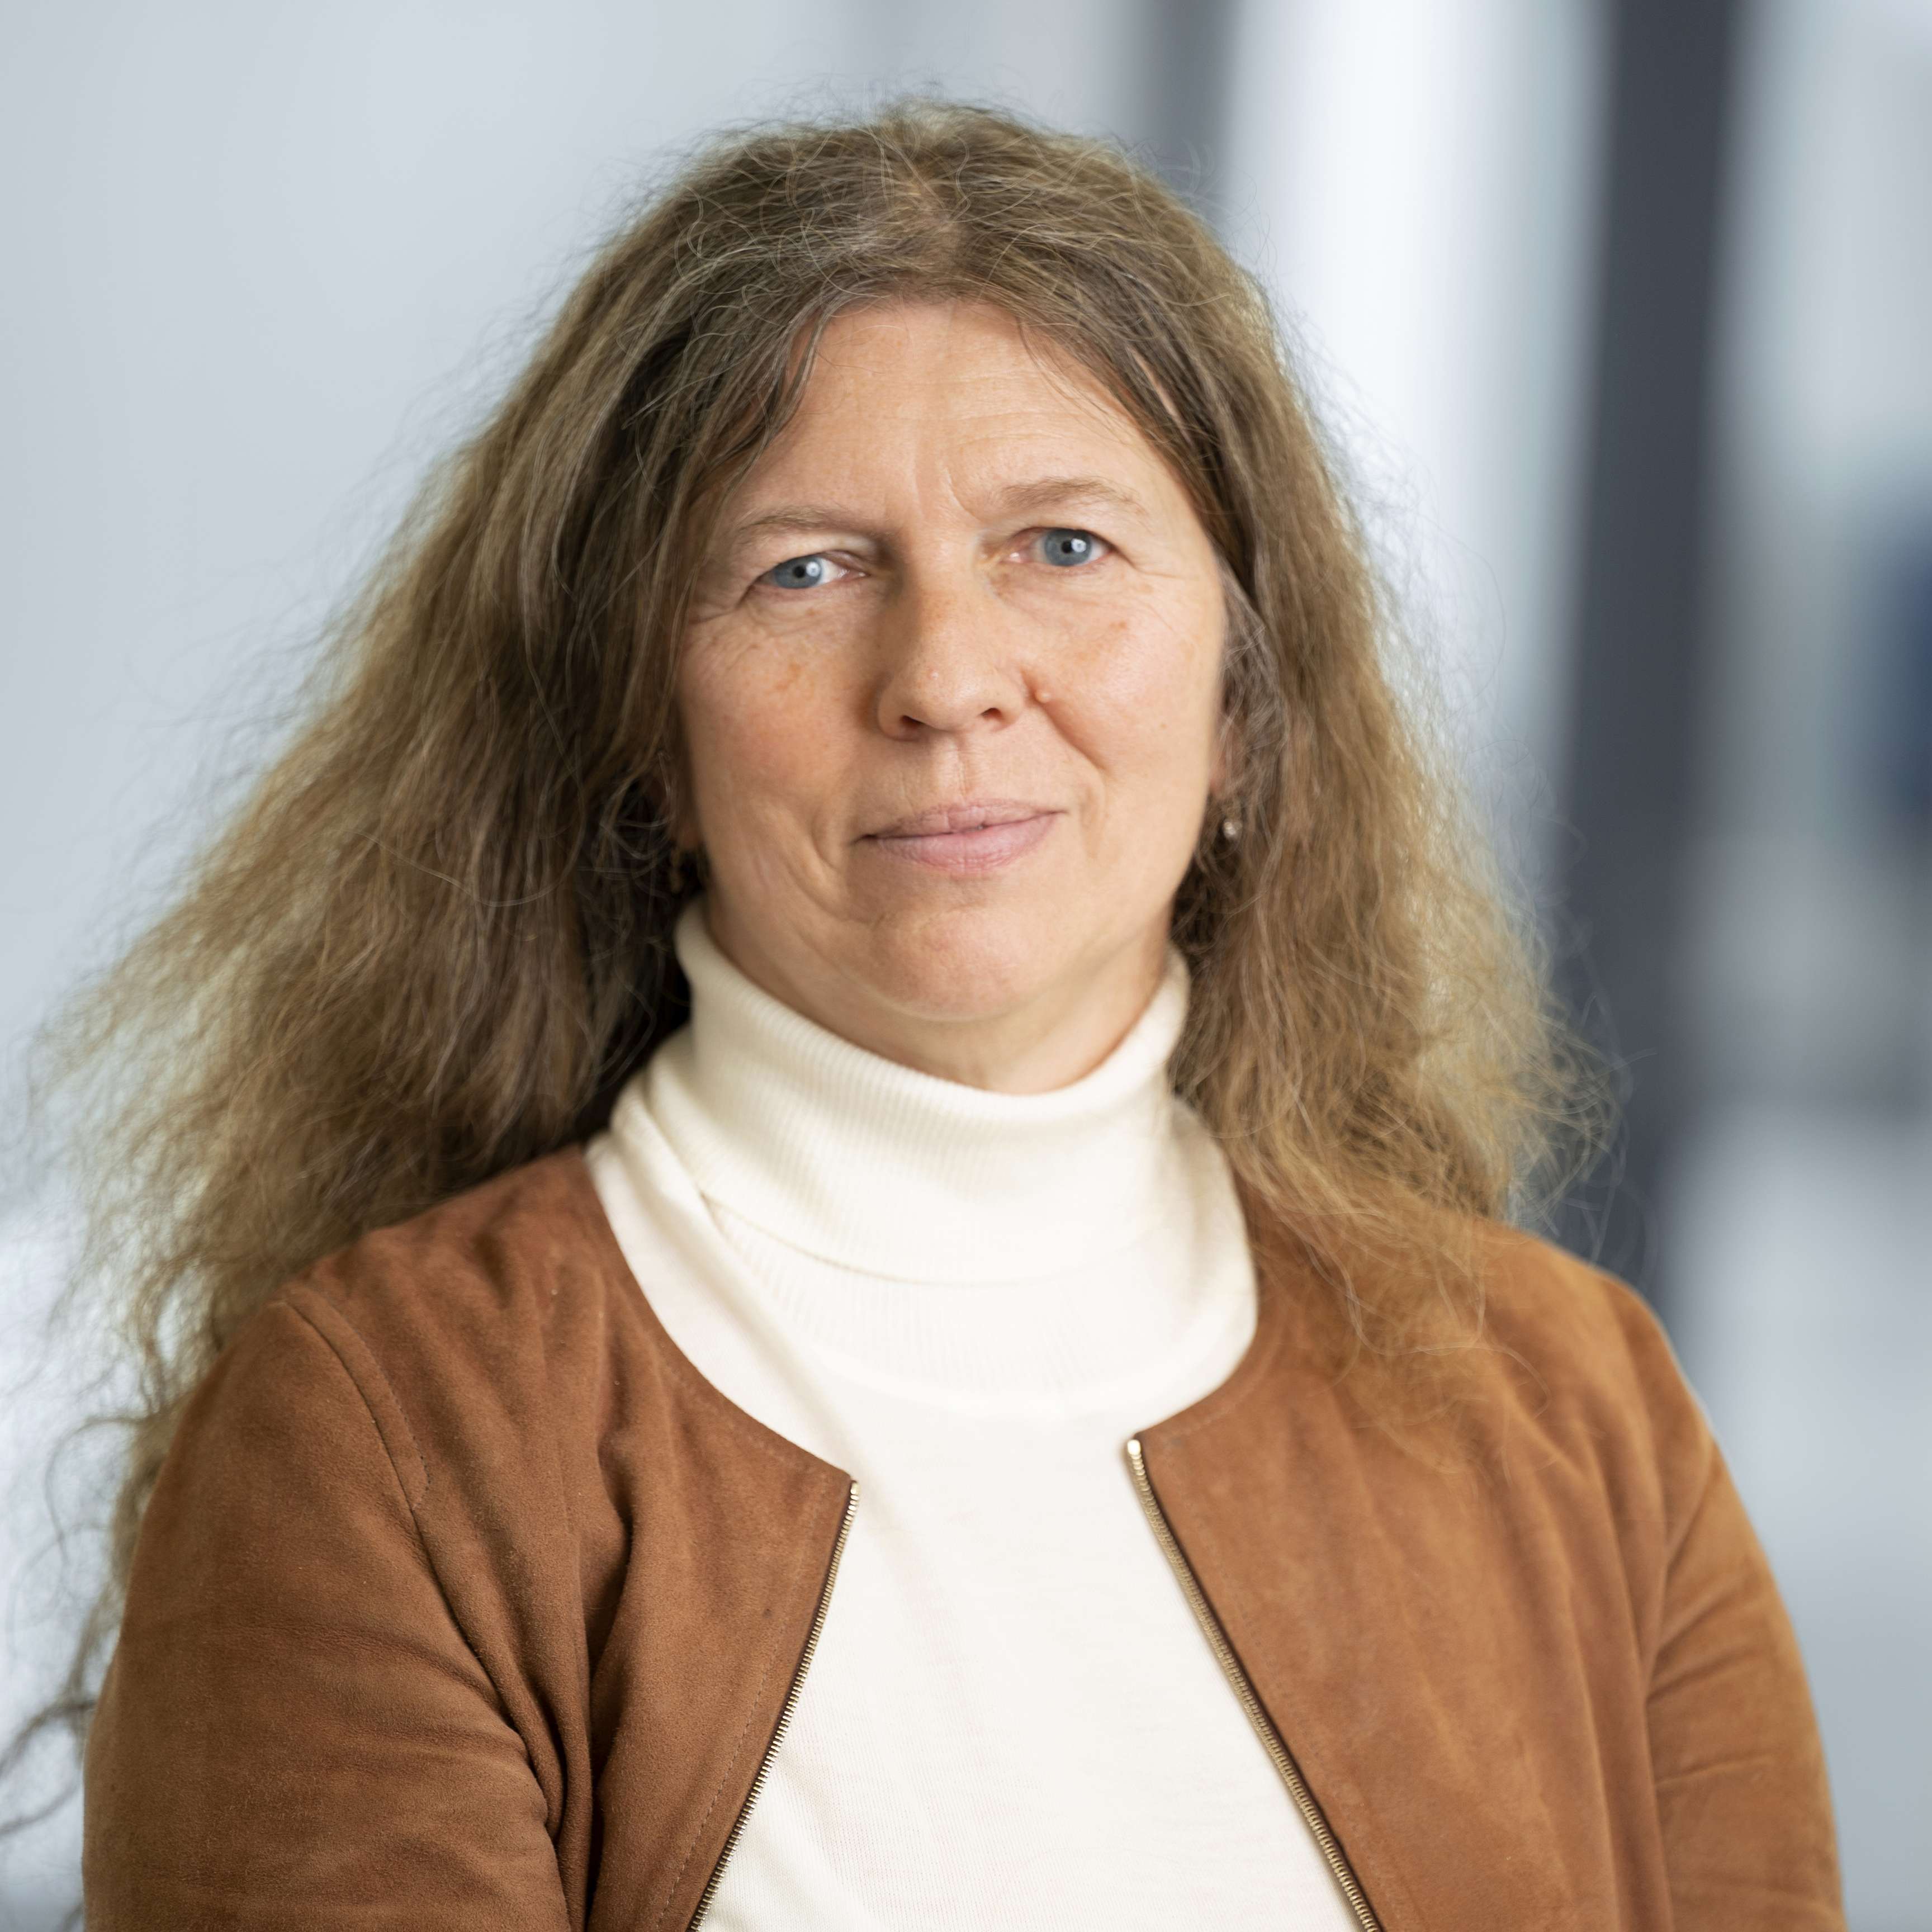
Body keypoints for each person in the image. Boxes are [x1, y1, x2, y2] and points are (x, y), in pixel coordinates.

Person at [43, 101, 1839, 1928]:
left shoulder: (1578, 1411)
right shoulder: (382, 1444)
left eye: (1061, 546)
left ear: (1244, 701)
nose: (950, 679)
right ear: (644, 729)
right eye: (805, 569)